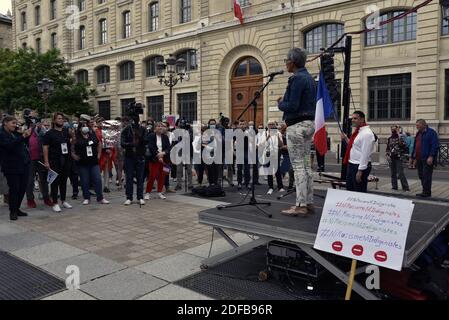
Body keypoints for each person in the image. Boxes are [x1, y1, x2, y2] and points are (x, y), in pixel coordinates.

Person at [278, 48, 316, 216]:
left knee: (299, 166)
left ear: (292, 62)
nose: (285, 63)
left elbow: (292, 105)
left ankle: (300, 205)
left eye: (286, 60)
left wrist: (280, 103)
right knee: (307, 165)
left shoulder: (296, 79)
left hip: (297, 128)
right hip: (308, 125)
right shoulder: (310, 79)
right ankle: (309, 202)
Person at [0, 116, 31, 220]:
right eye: (13, 123)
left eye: (16, 123)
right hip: (11, 166)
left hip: (23, 164)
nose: (15, 125)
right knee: (14, 189)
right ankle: (12, 211)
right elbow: (9, 146)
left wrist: (25, 136)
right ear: (5, 123)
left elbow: (24, 143)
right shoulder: (2, 134)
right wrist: (22, 137)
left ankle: (17, 208)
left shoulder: (15, 133)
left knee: (22, 188)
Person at [72, 120, 110, 205]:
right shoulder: (76, 137)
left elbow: (99, 143)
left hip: (93, 162)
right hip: (82, 163)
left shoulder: (92, 134)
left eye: (86, 125)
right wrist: (74, 155)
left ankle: (100, 198)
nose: (84, 127)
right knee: (84, 181)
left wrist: (99, 154)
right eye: (82, 126)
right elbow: (72, 147)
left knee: (97, 179)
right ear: (79, 128)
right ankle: (86, 198)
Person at [42, 112, 74, 213]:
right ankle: (55, 203)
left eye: (62, 119)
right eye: (59, 119)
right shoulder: (49, 133)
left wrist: (73, 136)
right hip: (54, 160)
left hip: (66, 159)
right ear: (54, 120)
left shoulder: (66, 131)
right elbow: (45, 147)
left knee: (64, 181)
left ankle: (63, 200)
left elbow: (72, 143)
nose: (61, 120)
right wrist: (46, 161)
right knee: (55, 181)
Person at [341, 111, 376, 193]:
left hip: (359, 166)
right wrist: (346, 138)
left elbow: (365, 154)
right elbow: (354, 146)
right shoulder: (359, 131)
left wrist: (360, 171)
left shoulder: (367, 134)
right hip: (352, 164)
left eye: (355, 118)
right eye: (352, 118)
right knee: (350, 190)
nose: (352, 120)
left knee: (359, 192)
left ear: (362, 119)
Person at [25, 113, 52, 208]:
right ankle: (30, 199)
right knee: (30, 180)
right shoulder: (27, 130)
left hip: (40, 158)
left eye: (35, 120)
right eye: (31, 120)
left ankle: (46, 198)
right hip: (30, 159)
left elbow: (46, 142)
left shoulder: (42, 131)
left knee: (43, 180)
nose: (34, 122)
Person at [121, 115, 148, 205]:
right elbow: (122, 143)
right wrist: (131, 144)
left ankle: (140, 197)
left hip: (140, 156)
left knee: (140, 178)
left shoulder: (143, 129)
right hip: (129, 157)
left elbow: (146, 141)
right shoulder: (126, 129)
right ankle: (129, 197)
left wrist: (139, 137)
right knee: (129, 178)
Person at [412, 119, 439, 198]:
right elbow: (415, 145)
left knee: (426, 175)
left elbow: (435, 145)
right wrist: (412, 157)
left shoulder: (431, 133)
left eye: (418, 125)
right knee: (421, 175)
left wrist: (431, 156)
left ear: (423, 125)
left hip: (427, 158)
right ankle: (424, 190)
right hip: (419, 158)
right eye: (416, 125)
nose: (416, 127)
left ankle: (427, 192)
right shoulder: (418, 133)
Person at [145, 122, 171, 200]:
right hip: (154, 159)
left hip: (164, 159)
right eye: (158, 126)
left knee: (162, 176)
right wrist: (158, 155)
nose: (160, 128)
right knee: (152, 176)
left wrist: (163, 153)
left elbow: (168, 147)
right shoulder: (151, 136)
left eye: (162, 126)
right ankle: (147, 192)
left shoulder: (165, 137)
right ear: (155, 128)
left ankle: (159, 191)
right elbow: (151, 147)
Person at [260, 120, 285, 195]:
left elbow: (281, 145)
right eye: (269, 124)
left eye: (272, 124)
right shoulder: (264, 133)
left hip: (276, 153)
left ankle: (280, 186)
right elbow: (261, 144)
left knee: (277, 170)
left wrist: (277, 137)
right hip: (268, 154)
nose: (271, 126)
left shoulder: (278, 133)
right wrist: (268, 136)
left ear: (275, 125)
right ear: (267, 126)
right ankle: (270, 187)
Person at [386, 125, 410, 192]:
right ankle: (394, 187)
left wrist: (399, 135)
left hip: (399, 158)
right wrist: (387, 155)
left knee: (400, 173)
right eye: (392, 129)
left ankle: (405, 187)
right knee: (393, 173)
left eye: (394, 129)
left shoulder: (400, 137)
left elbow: (404, 146)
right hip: (392, 157)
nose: (393, 130)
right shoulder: (389, 138)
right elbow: (388, 148)